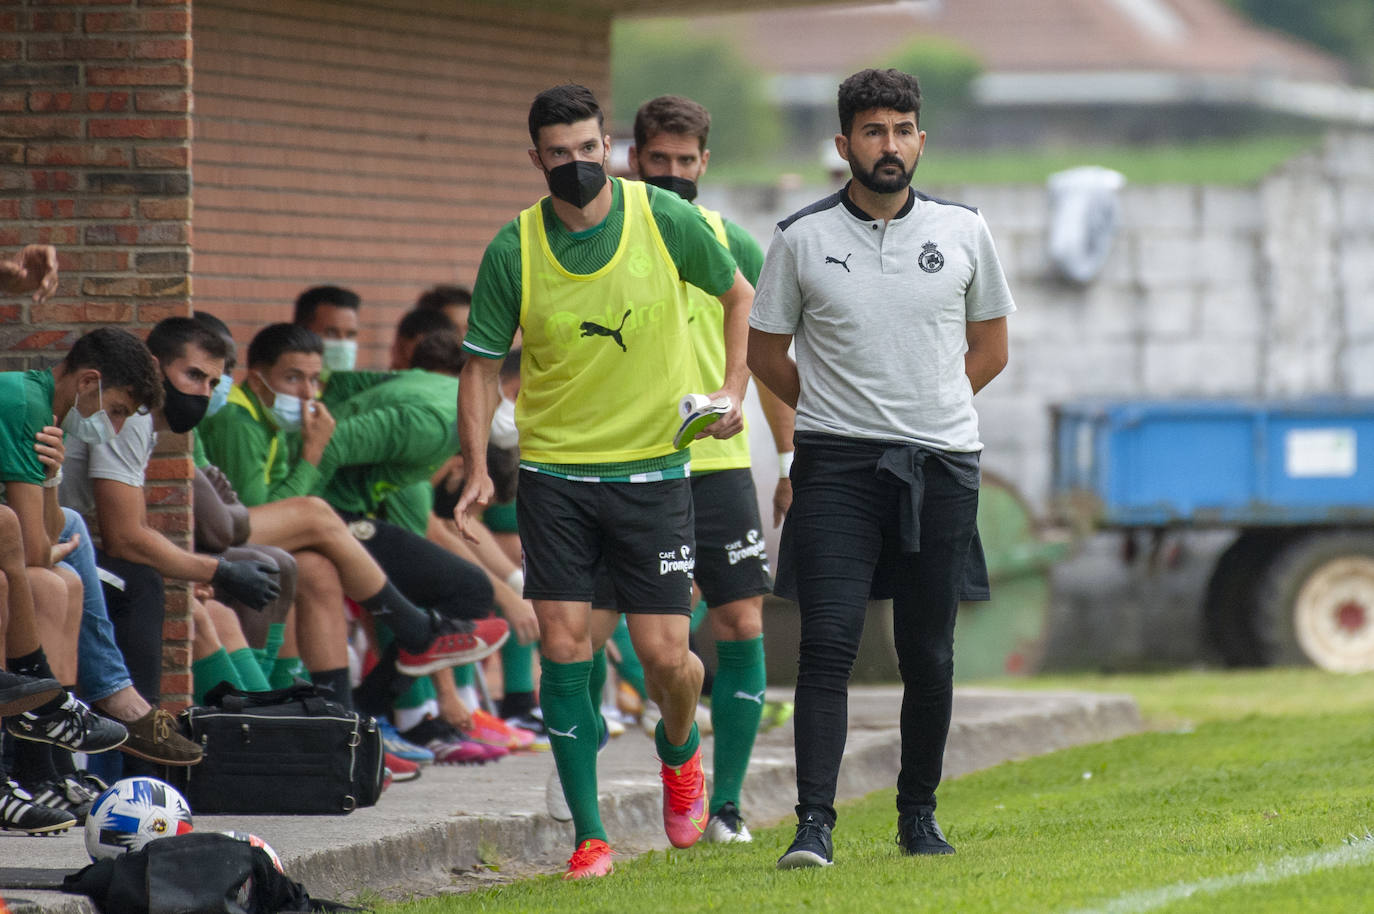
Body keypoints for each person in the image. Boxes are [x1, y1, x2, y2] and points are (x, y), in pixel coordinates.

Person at [454, 84, 754, 880]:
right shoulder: (513, 247)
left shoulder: (665, 217)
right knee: (563, 645)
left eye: (589, 149)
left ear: (608, 148)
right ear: (536, 159)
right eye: (561, 154)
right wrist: (481, 464)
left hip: (655, 473)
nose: (578, 164)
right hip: (556, 475)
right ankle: (590, 837)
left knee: (667, 660)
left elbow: (739, 297)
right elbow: (482, 366)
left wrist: (733, 391)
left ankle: (681, 749)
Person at [748, 68, 1014, 868]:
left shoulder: (966, 231)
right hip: (835, 467)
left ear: (920, 141)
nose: (889, 145)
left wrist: (926, 408)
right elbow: (765, 353)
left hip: (942, 467)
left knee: (927, 651)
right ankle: (813, 826)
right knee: (826, 644)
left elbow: (993, 350)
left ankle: (919, 815)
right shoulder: (801, 238)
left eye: (902, 130)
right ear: (844, 144)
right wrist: (840, 409)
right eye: (872, 131)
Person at [582, 93, 793, 845]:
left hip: (718, 463)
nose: (672, 174)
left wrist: (791, 459)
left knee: (740, 617)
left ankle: (727, 806)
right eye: (658, 160)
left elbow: (769, 363)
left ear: (705, 163)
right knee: (591, 630)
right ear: (632, 159)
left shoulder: (731, 242)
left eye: (685, 161)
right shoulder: (598, 241)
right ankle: (611, 805)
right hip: (627, 465)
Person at [295, 285, 361, 374]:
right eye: (331, 333)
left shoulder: (365, 387)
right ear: (302, 333)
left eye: (350, 335)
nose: (343, 345)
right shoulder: (274, 386)